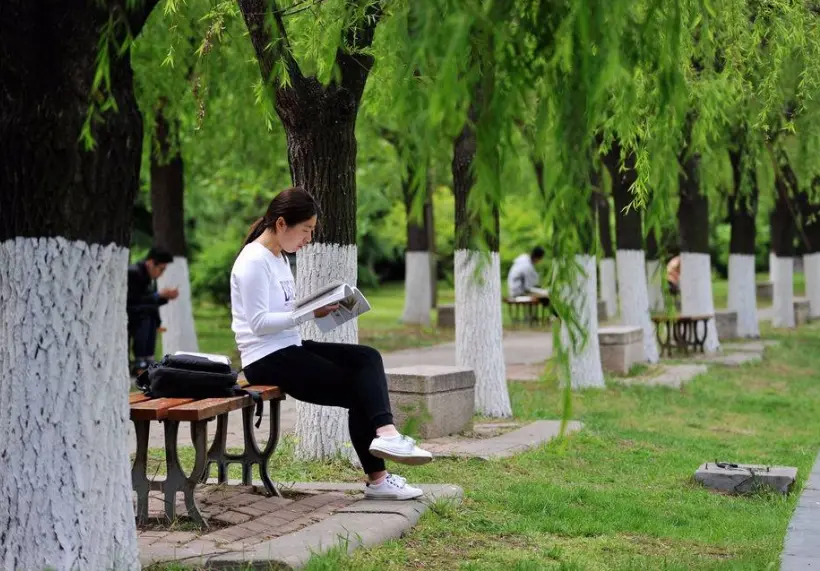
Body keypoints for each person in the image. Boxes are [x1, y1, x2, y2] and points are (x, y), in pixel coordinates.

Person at [230, 187, 433, 501]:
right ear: (281, 224)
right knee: (359, 390)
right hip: (265, 359)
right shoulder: (254, 260)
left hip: (288, 348)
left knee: (367, 357)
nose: (308, 239)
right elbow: (258, 323)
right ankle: (379, 475)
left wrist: (320, 305)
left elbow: (283, 310)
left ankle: (387, 435)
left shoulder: (278, 257)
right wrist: (309, 311)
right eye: (306, 230)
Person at [127, 246, 179, 373]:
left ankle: (147, 358)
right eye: (161, 269)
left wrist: (165, 297)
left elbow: (148, 300)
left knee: (150, 315)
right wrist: (159, 295)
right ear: (150, 263)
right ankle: (141, 359)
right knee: (146, 315)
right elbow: (133, 299)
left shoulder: (147, 276)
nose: (161, 273)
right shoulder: (134, 273)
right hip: (131, 314)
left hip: (141, 313)